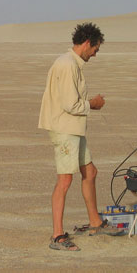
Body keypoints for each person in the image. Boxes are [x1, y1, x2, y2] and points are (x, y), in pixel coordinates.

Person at [38, 22, 123, 251]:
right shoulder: (67, 65)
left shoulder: (70, 63)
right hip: (65, 129)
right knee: (65, 180)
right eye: (95, 49)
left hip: (74, 129)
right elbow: (70, 104)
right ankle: (57, 235)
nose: (95, 54)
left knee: (90, 171)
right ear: (87, 43)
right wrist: (92, 104)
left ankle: (95, 222)